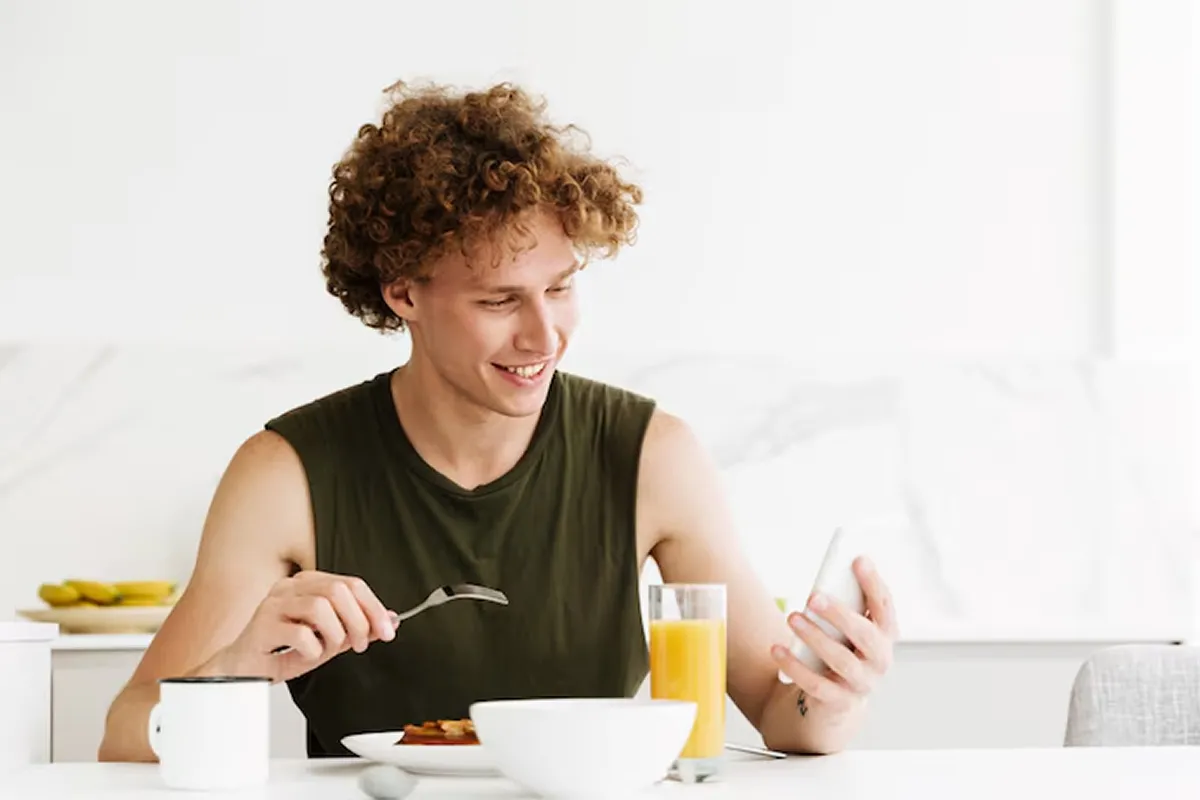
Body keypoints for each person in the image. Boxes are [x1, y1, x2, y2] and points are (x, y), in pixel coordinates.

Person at [98, 79, 899, 762]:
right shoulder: (286, 472)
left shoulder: (651, 454)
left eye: (560, 288)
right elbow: (125, 734)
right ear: (403, 293)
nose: (544, 336)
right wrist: (237, 669)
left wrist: (832, 699)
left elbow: (778, 711)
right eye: (498, 301)